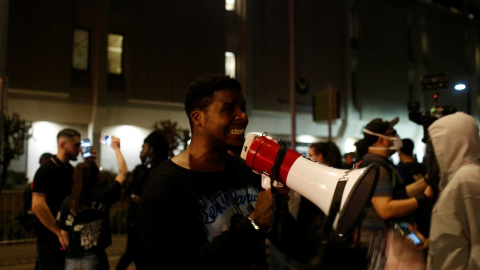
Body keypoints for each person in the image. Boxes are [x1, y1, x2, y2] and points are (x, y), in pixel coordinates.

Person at [137, 74, 316, 269]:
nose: (243, 117)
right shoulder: (165, 185)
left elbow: (298, 247)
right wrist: (254, 223)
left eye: (243, 109)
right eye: (229, 109)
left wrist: (278, 215)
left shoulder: (246, 170)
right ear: (198, 118)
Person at [357, 117, 433, 269]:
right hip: (379, 242)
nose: (396, 138)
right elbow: (386, 209)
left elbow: (398, 194)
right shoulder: (375, 166)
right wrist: (424, 197)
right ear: (381, 140)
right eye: (393, 134)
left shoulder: (382, 163)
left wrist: (426, 181)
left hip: (388, 238)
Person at [56, 136, 128, 270]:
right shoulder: (104, 196)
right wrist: (116, 148)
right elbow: (123, 173)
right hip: (95, 258)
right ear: (97, 177)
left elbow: (64, 234)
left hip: (72, 260)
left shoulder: (68, 202)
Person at [425, 112, 480, 269]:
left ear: (451, 142)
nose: (431, 152)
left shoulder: (467, 178)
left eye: (436, 144)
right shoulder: (458, 179)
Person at [115, 130, 169, 270]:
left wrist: (144, 200)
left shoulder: (164, 172)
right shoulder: (143, 170)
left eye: (143, 147)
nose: (141, 151)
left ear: (152, 149)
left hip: (153, 229)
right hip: (136, 226)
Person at [32, 128, 82, 270]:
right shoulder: (46, 170)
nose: (79, 150)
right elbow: (38, 205)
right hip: (49, 240)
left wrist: (89, 163)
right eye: (76, 145)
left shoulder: (72, 171)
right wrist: (58, 231)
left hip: (65, 239)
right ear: (62, 144)